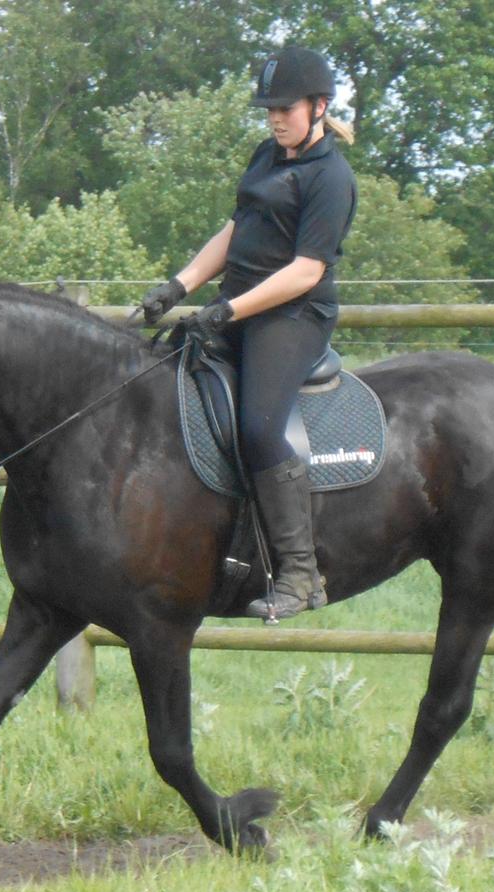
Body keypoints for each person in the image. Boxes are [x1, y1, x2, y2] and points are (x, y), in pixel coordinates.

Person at [141, 46, 357, 621]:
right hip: (237, 306)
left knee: (260, 427)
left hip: (292, 317)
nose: (275, 119)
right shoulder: (268, 156)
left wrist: (230, 310)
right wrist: (179, 287)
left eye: (285, 109)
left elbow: (307, 272)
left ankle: (299, 572)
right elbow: (234, 233)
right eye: (269, 110)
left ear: (319, 106)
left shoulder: (331, 177)